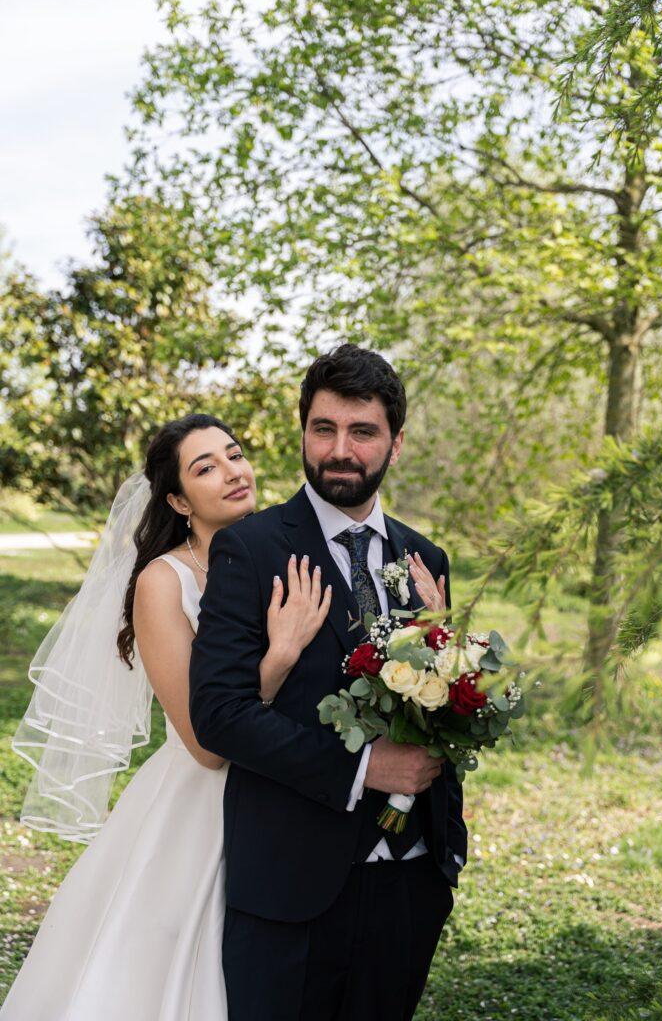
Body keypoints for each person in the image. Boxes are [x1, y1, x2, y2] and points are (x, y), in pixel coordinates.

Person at [0, 413, 332, 1020]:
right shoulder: (163, 581)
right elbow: (207, 743)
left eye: (234, 454)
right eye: (206, 468)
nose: (232, 472)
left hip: (289, 787)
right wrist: (280, 656)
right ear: (178, 499)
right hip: (202, 803)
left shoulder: (283, 553)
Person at [190, 344, 468, 1021]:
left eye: (362, 431)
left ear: (394, 445)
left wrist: (453, 654)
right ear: (304, 432)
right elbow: (219, 713)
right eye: (324, 429)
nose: (339, 449)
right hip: (292, 885)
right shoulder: (251, 549)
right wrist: (366, 767)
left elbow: (444, 702)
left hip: (411, 876)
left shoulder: (423, 557)